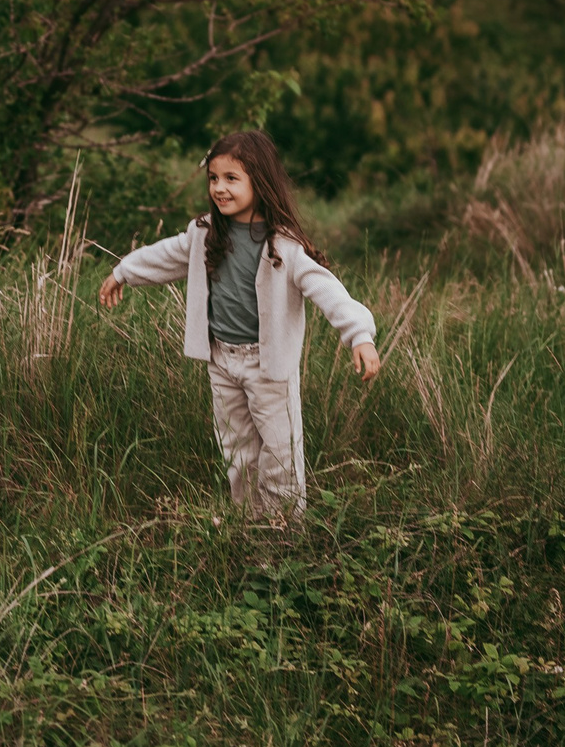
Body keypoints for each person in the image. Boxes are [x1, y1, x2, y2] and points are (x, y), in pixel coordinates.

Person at [97, 130, 379, 527]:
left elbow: (326, 288)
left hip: (268, 366)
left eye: (232, 178)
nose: (219, 188)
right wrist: (123, 271)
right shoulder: (205, 232)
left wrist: (359, 335)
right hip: (221, 361)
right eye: (213, 178)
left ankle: (282, 529)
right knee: (238, 450)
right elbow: (166, 255)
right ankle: (249, 523)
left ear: (259, 182)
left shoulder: (284, 244)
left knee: (280, 452)